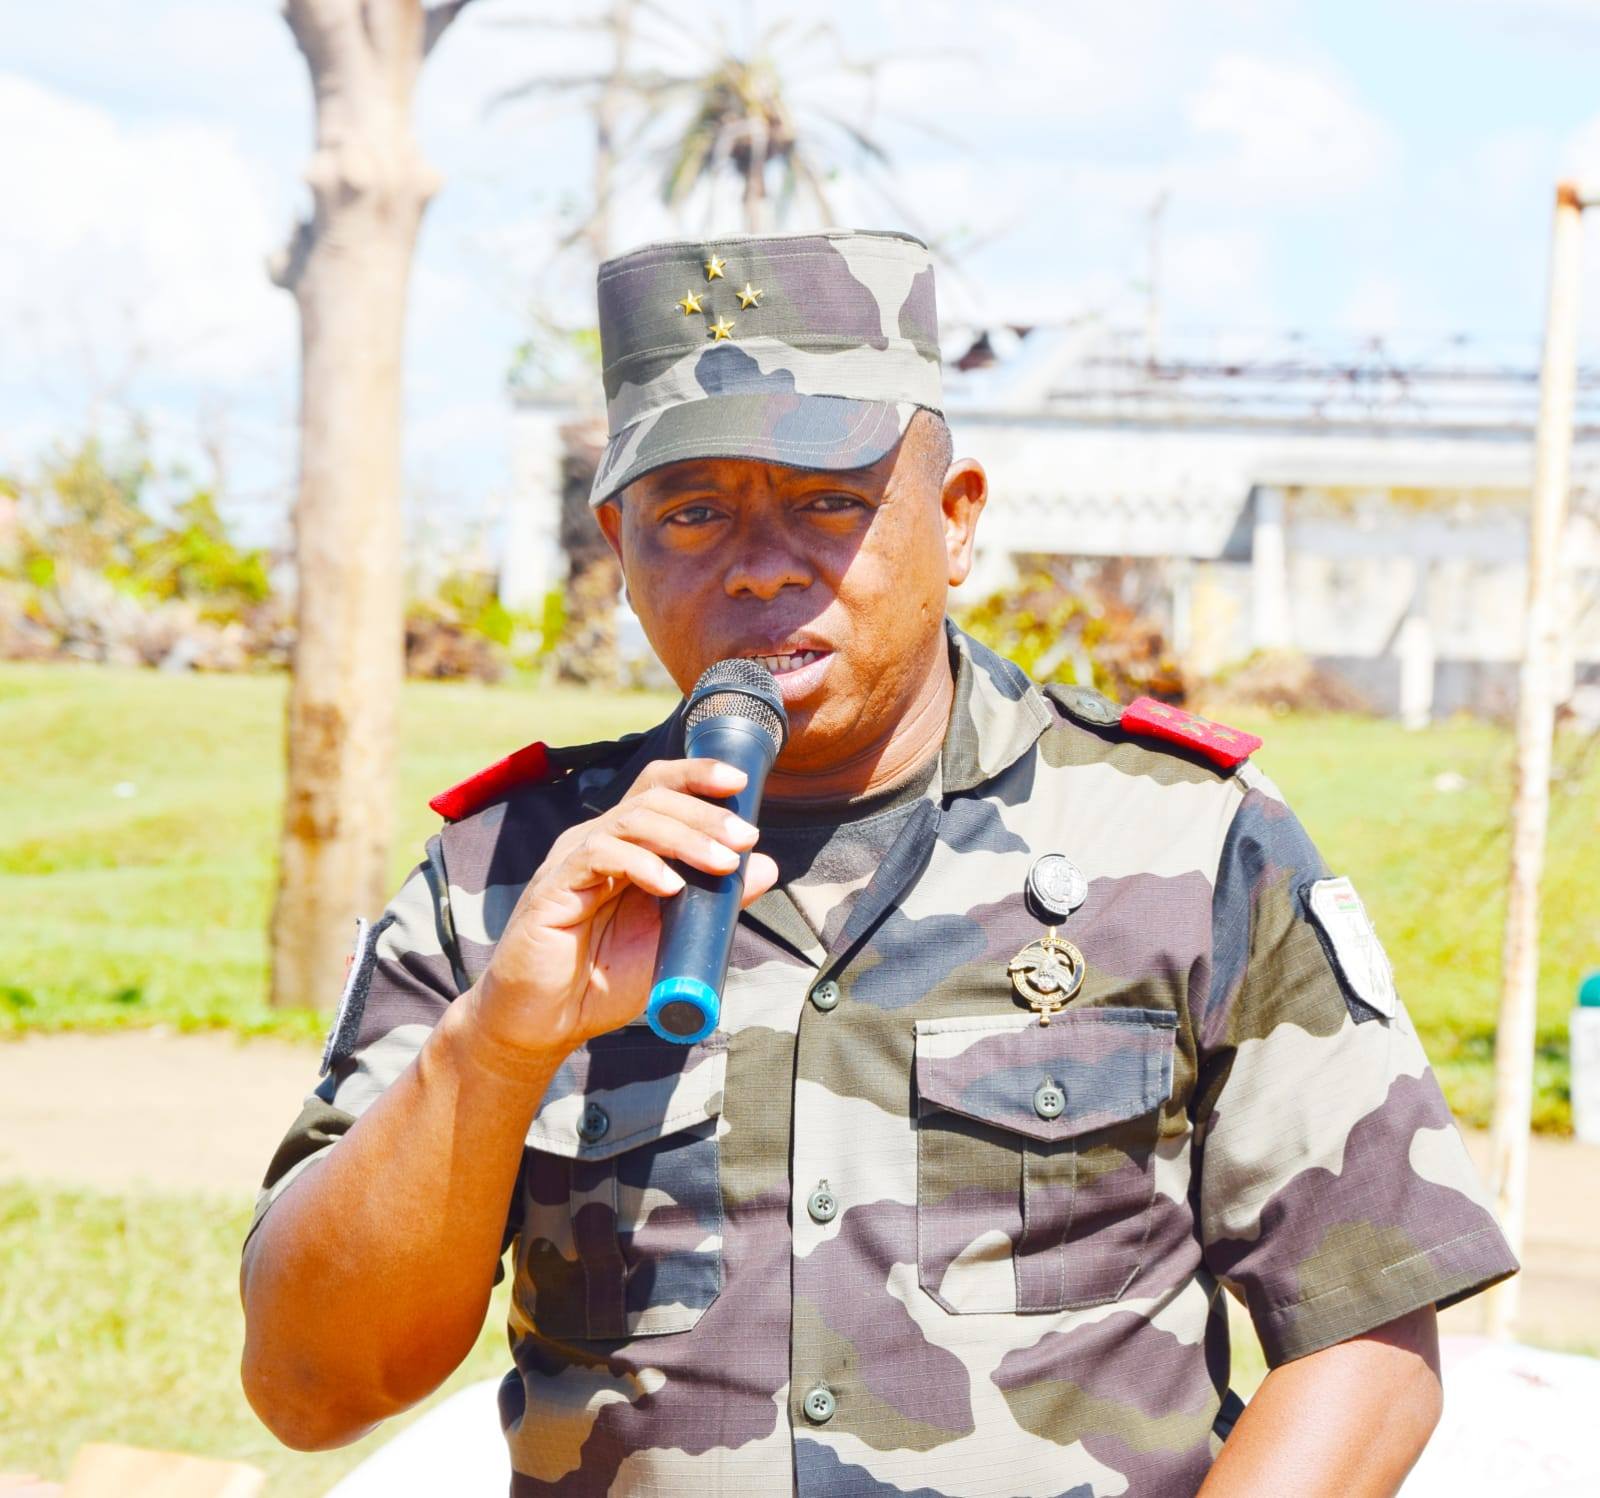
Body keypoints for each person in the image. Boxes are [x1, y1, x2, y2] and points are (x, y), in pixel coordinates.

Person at [241, 228, 1517, 1497]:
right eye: (693, 512)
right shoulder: (506, 877)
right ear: (620, 548)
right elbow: (314, 1387)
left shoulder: (1180, 837)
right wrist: (495, 1046)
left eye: (826, 502)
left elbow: (1364, 1327)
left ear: (955, 521)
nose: (760, 569)